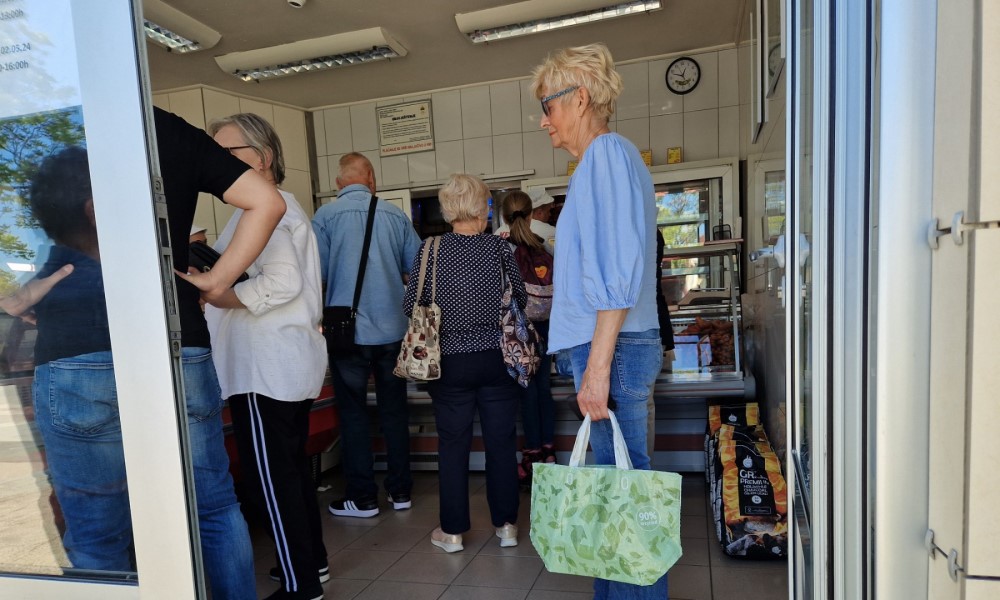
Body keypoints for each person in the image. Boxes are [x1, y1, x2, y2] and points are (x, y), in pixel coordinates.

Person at [16, 105, 285, 599]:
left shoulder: (44, 127)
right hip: (175, 341)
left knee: (97, 535)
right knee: (214, 510)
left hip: (74, 353)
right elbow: (266, 201)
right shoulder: (162, 128)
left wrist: (25, 295)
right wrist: (216, 279)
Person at [531, 43, 667, 599]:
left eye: (549, 106)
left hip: (612, 348)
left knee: (626, 508)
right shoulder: (609, 159)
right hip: (613, 346)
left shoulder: (606, 154)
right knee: (617, 501)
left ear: (579, 98)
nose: (545, 121)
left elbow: (616, 274)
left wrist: (597, 368)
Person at [204, 113, 328, 600]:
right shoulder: (278, 207)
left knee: (272, 482)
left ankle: (300, 586)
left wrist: (217, 293)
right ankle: (308, 565)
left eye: (227, 152)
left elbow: (281, 282)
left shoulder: (267, 211)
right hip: (281, 365)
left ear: (264, 157)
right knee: (291, 474)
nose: (218, 163)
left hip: (263, 368)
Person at [402, 173, 525, 553]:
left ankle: (452, 532)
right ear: (481, 206)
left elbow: (411, 305)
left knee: (452, 446)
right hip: (496, 359)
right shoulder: (500, 249)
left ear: (448, 207)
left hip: (448, 362)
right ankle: (506, 527)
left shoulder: (431, 249)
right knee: (501, 443)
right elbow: (519, 299)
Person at [311, 152, 420, 518]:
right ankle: (400, 491)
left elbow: (316, 275)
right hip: (393, 332)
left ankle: (362, 497)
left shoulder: (324, 217)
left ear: (339, 183)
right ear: (370, 179)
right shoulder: (394, 215)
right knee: (394, 411)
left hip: (347, 334)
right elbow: (416, 270)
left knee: (354, 414)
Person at [497, 190, 556, 487]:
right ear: (533, 213)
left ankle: (531, 457)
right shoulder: (544, 244)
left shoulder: (499, 247)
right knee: (543, 390)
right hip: (545, 327)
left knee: (526, 392)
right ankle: (548, 454)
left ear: (503, 216)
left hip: (516, 329)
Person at [495, 187, 556, 255]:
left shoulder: (496, 237)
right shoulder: (550, 233)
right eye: (549, 211)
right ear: (530, 215)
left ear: (503, 217)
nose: (550, 214)